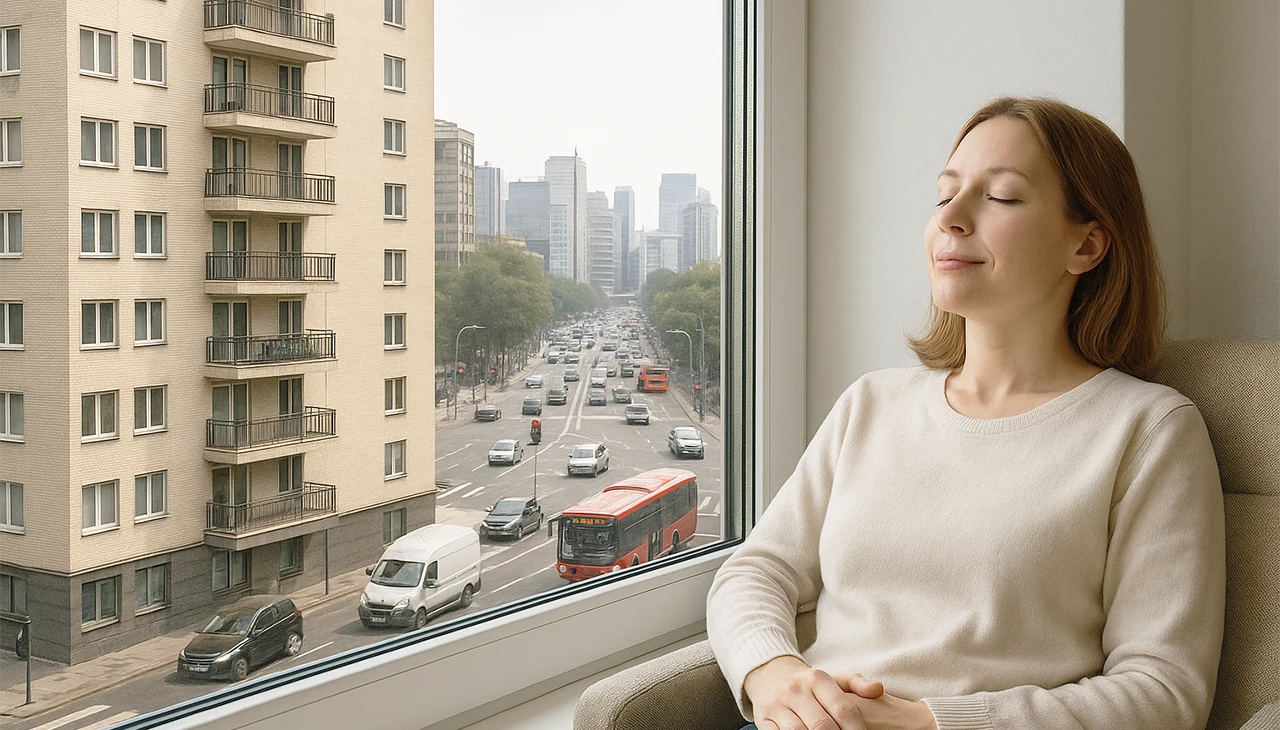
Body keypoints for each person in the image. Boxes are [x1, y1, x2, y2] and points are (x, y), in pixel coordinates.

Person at [707, 97, 1226, 730]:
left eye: (1001, 197)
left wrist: (933, 722)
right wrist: (773, 674)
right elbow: (758, 569)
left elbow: (1164, 693)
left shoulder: (1148, 430)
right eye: (943, 194)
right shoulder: (870, 404)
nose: (951, 219)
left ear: (1086, 244)